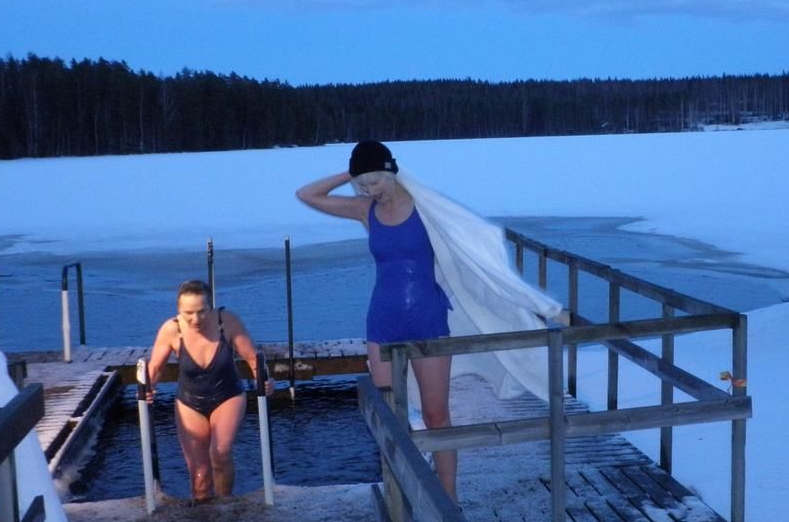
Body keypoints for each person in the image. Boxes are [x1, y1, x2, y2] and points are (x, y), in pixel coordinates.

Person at [295, 140, 564, 503]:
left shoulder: (426, 208)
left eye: (375, 182)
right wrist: (354, 170)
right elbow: (306, 194)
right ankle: (402, 492)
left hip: (428, 319)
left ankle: (448, 500)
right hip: (383, 321)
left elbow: (478, 253)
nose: (370, 191)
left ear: (392, 172)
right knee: (391, 417)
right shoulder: (365, 211)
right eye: (362, 185)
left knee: (437, 415)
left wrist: (535, 304)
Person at [146, 279, 273, 502]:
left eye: (201, 312)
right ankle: (204, 516)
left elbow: (253, 358)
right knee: (200, 471)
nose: (196, 319)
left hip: (228, 396)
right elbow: (154, 369)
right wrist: (147, 388)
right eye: (188, 313)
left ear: (210, 307)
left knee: (220, 453)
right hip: (189, 402)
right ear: (178, 311)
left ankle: (225, 505)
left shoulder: (227, 322)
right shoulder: (171, 330)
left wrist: (265, 380)